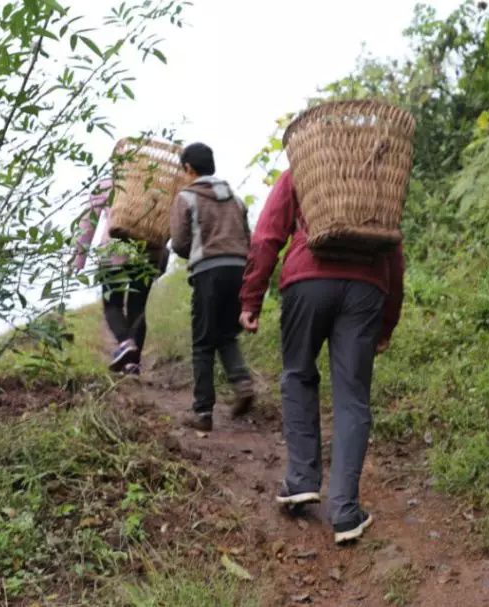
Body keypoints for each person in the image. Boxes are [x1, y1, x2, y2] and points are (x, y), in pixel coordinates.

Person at [239, 169, 405, 546]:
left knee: (298, 374)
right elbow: (395, 252)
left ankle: (301, 481)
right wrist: (387, 321)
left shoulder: (303, 170)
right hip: (367, 289)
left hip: (307, 279)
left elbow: (267, 236)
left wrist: (251, 297)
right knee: (352, 396)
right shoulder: (379, 182)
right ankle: (345, 511)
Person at [169, 142, 255, 431]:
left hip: (208, 271)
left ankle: (202, 412)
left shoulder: (186, 197)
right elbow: (248, 237)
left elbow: (180, 242)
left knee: (203, 341)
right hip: (240, 269)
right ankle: (242, 382)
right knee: (227, 334)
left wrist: (193, 250)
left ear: (188, 169)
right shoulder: (235, 199)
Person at [71, 177, 169, 375]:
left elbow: (89, 221)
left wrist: (78, 258)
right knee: (137, 307)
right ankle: (132, 364)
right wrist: (161, 257)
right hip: (147, 253)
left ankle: (125, 343)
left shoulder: (108, 184)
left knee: (112, 304)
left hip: (113, 251)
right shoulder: (160, 185)